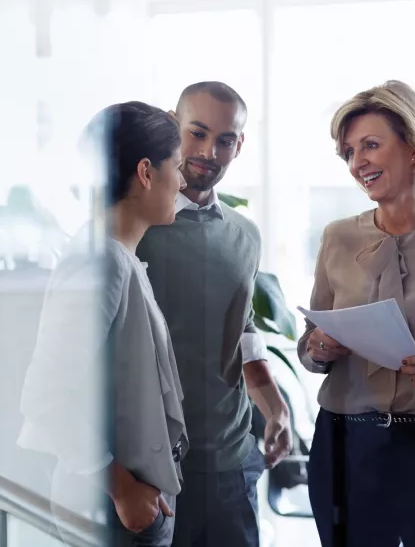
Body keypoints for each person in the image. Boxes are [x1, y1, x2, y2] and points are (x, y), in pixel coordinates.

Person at [298, 80, 415, 547]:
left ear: (411, 148)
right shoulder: (337, 236)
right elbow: (309, 343)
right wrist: (318, 347)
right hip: (345, 444)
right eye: (348, 152)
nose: (357, 162)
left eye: (370, 146)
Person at [17, 101, 189, 546]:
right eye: (178, 166)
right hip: (112, 507)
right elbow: (45, 396)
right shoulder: (102, 260)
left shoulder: (116, 253)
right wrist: (123, 490)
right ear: (146, 173)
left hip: (125, 502)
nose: (184, 181)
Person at [136, 81, 292, 547]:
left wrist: (272, 401)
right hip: (154, 470)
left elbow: (241, 325)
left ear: (239, 145)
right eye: (197, 133)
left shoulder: (245, 235)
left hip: (231, 463)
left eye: (225, 140)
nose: (209, 151)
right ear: (170, 127)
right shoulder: (134, 228)